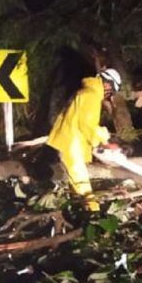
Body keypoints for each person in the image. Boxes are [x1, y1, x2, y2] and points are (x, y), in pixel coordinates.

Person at [45, 68, 123, 214]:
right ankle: (93, 216)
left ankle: (75, 214)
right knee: (83, 186)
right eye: (111, 90)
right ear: (107, 84)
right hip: (71, 145)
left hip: (71, 141)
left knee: (74, 186)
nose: (110, 95)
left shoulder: (86, 92)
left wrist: (103, 138)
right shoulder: (91, 95)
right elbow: (87, 124)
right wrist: (104, 143)